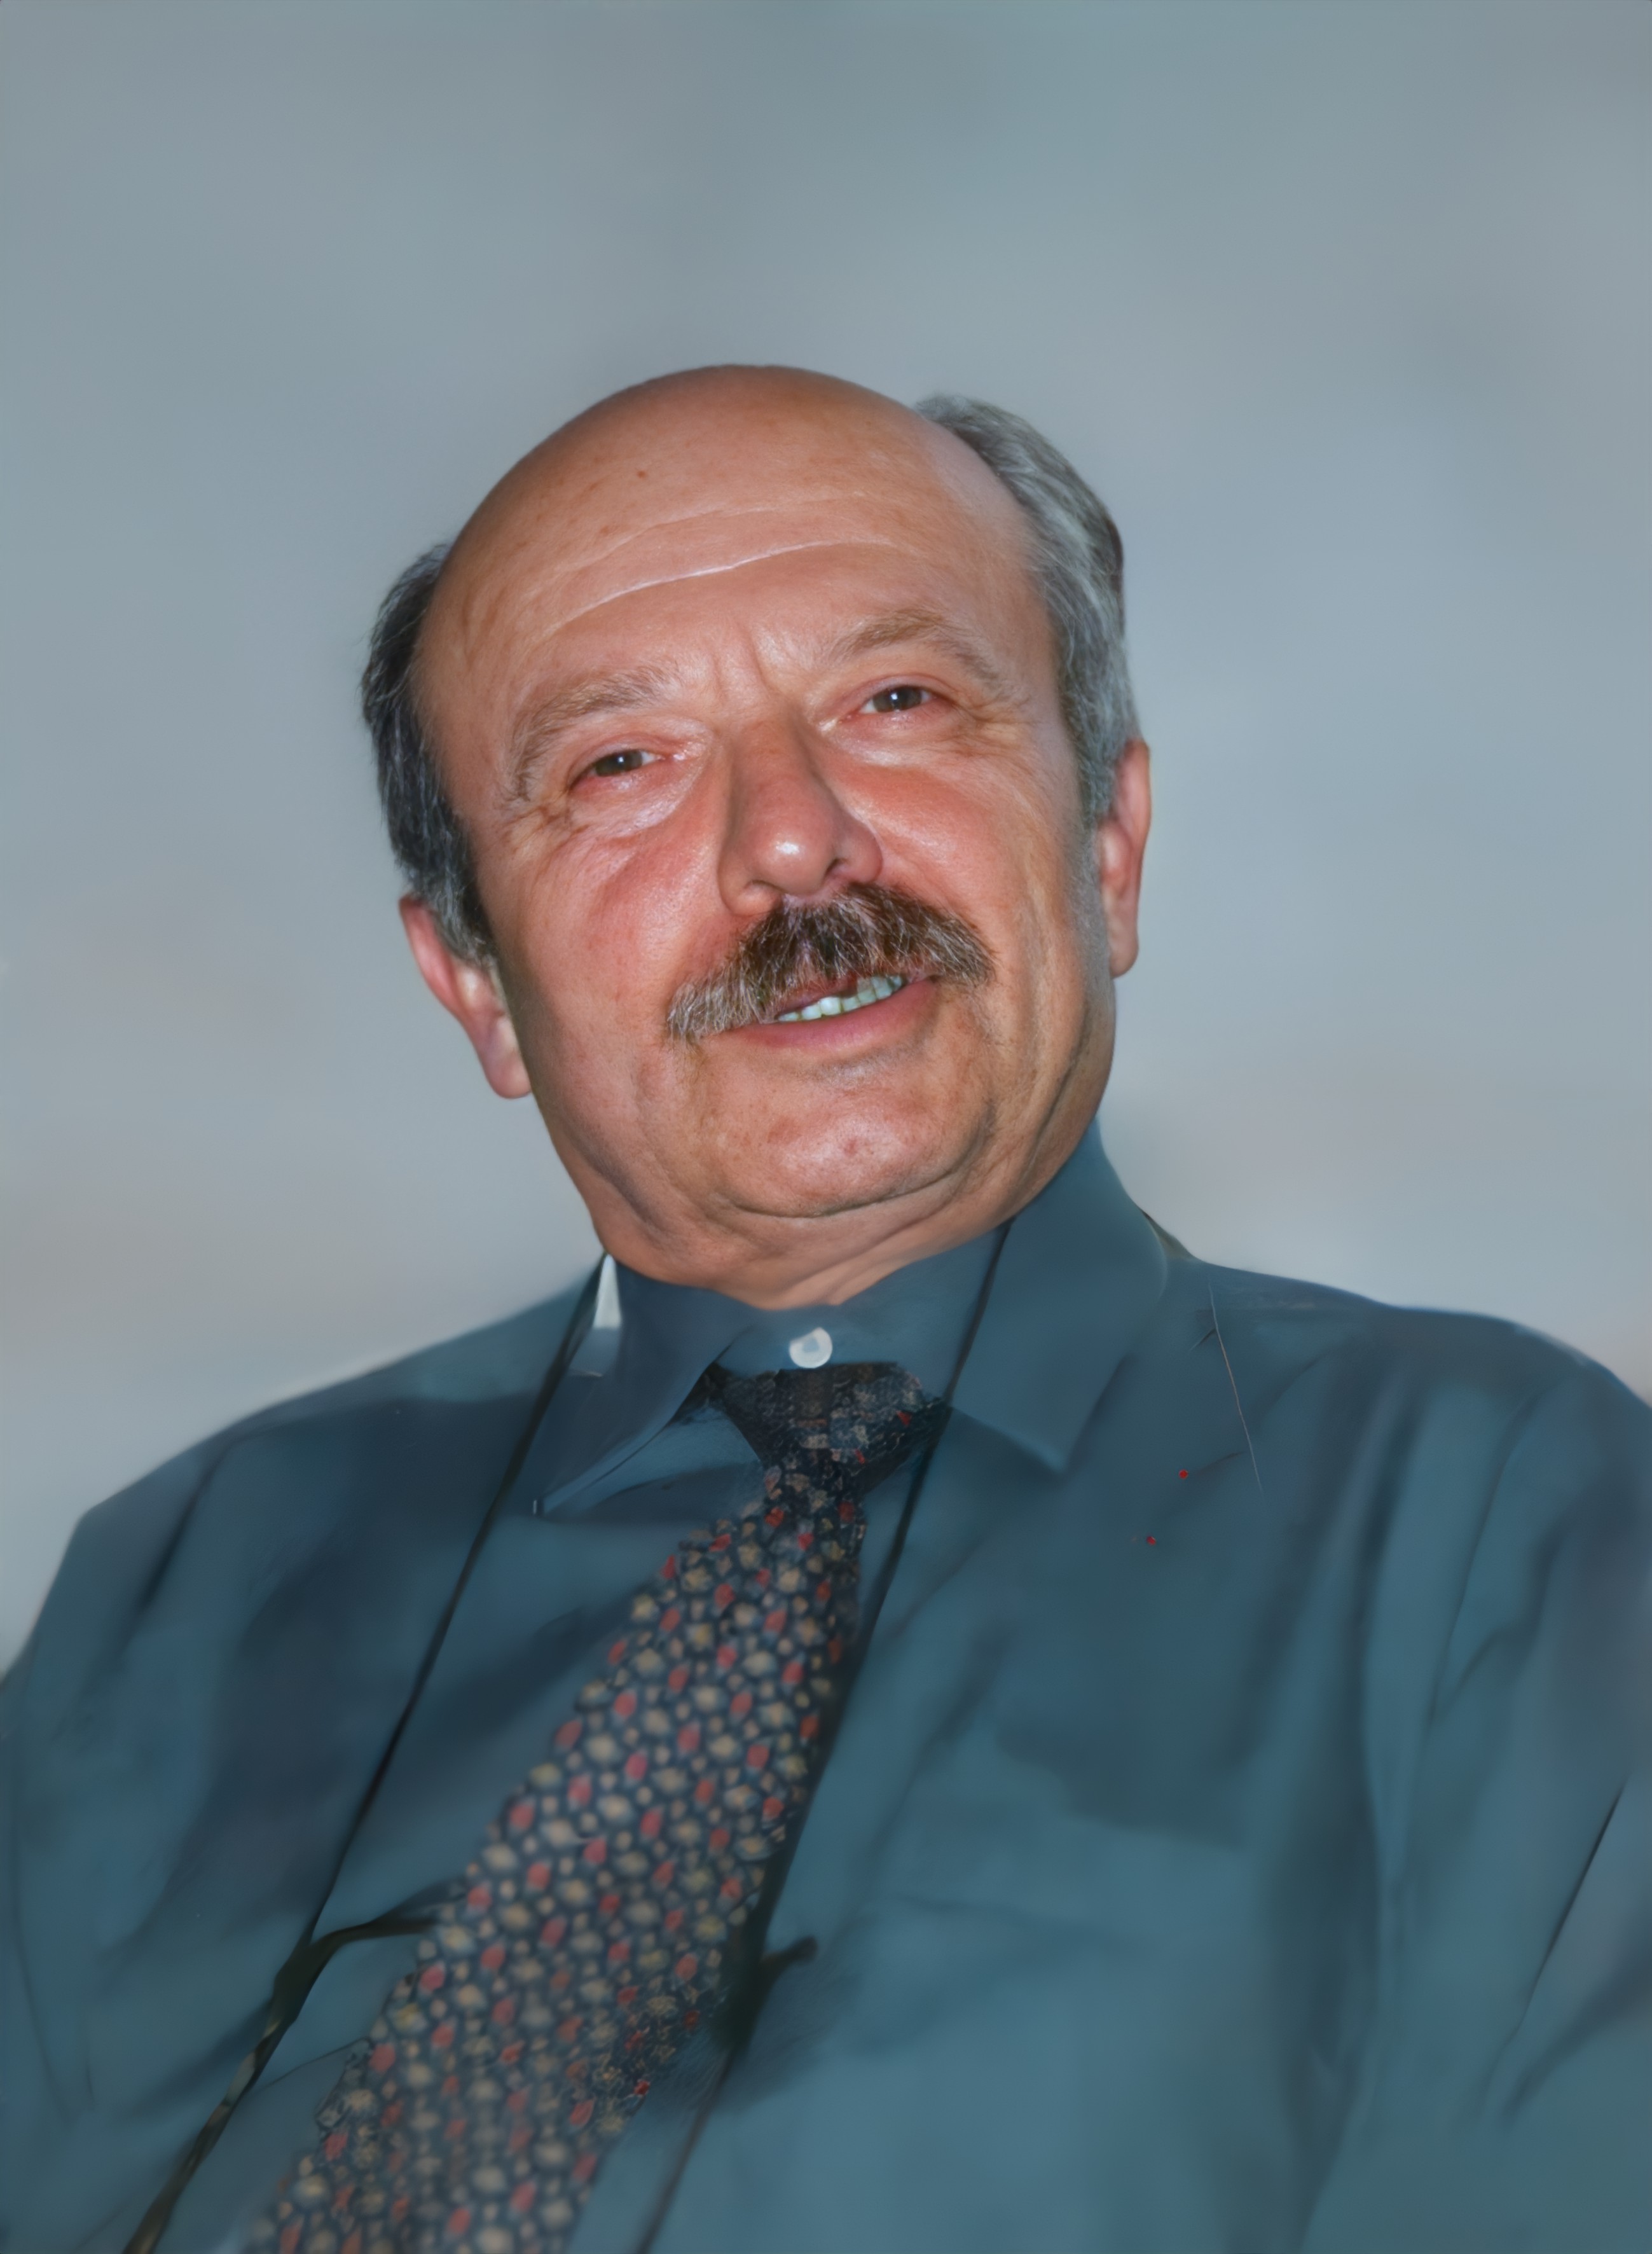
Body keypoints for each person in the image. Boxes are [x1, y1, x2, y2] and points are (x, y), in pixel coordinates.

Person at [2, 368, 1646, 2254]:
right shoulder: (190, 1582)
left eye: (899, 703)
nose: (793, 839)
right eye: (619, 763)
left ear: (1108, 849)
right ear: (476, 987)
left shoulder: (1508, 1519)